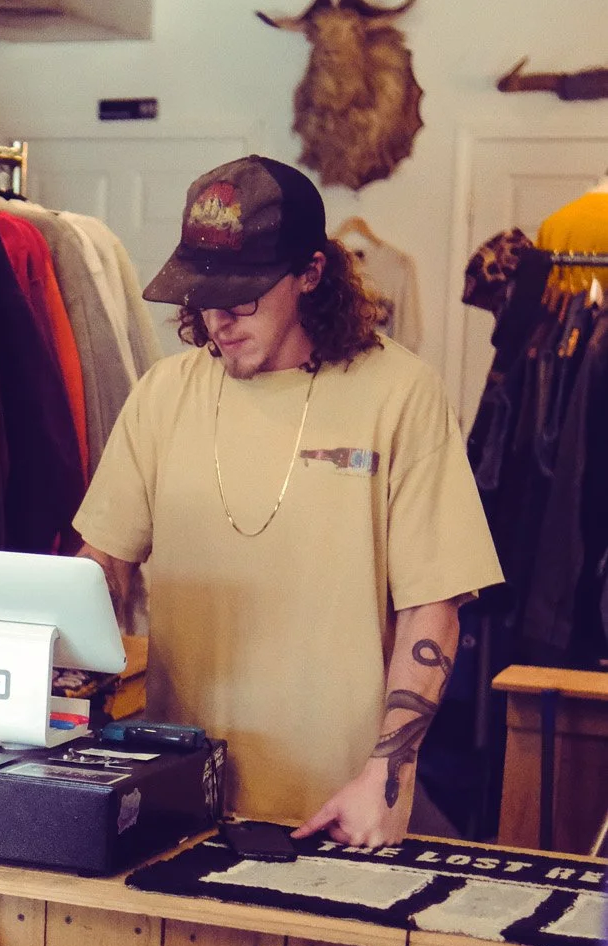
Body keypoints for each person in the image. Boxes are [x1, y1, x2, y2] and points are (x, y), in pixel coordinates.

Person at [74, 156, 501, 845]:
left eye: (243, 297)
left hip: (335, 806)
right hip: (178, 798)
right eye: (203, 295)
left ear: (310, 273)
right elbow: (104, 562)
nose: (219, 319)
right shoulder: (163, 393)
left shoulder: (401, 393)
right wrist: (57, 659)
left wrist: (387, 776)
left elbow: (434, 605)